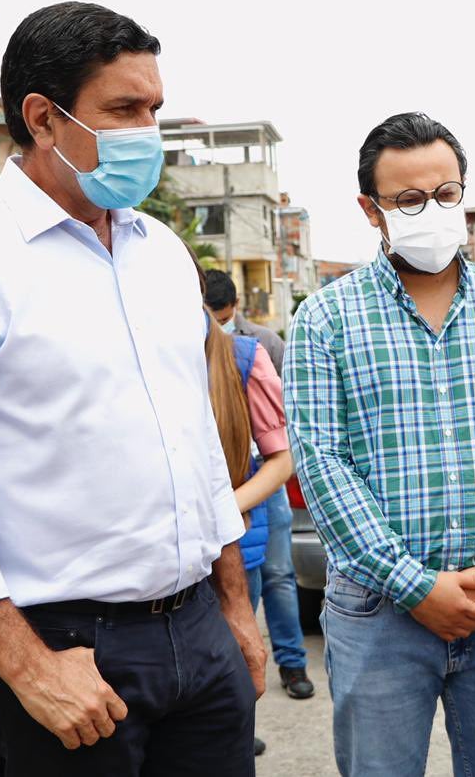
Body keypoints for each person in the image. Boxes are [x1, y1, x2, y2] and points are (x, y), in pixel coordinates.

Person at [0, 2, 264, 776]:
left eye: (154, 108)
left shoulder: (162, 252)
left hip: (200, 638)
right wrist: (28, 667)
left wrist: (236, 616)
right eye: (123, 109)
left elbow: (198, 453)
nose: (147, 129)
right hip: (68, 650)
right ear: (43, 118)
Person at [285, 112, 475, 777]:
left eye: (446, 195)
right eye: (410, 201)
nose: (432, 212)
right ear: (371, 209)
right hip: (379, 612)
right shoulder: (325, 319)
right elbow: (323, 464)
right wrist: (414, 587)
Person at [197, 263, 297, 756]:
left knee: (241, 641)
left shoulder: (246, 354)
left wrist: (222, 510)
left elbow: (282, 458)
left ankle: (240, 725)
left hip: (236, 541)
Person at [204, 268, 285, 372]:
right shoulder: (194, 345)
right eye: (211, 322)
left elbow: (287, 382)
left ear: (236, 303)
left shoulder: (268, 341)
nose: (218, 327)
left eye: (224, 320)